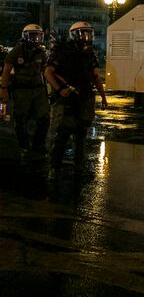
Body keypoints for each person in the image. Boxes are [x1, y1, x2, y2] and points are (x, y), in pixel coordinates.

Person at [44, 22, 107, 180]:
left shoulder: (89, 53)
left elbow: (95, 77)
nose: (86, 36)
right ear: (74, 35)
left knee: (81, 135)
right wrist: (60, 89)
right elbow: (48, 72)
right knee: (62, 134)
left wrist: (103, 96)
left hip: (84, 98)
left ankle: (79, 167)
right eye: (82, 33)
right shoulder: (62, 51)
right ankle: (54, 168)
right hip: (68, 98)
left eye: (88, 33)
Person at [0, 24, 50, 162]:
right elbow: (6, 70)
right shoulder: (17, 51)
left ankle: (39, 145)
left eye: (38, 36)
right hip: (21, 90)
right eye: (33, 36)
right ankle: (23, 146)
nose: (35, 39)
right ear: (26, 36)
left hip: (38, 89)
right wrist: (3, 89)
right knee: (21, 118)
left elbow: (45, 71)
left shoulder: (41, 52)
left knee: (44, 118)